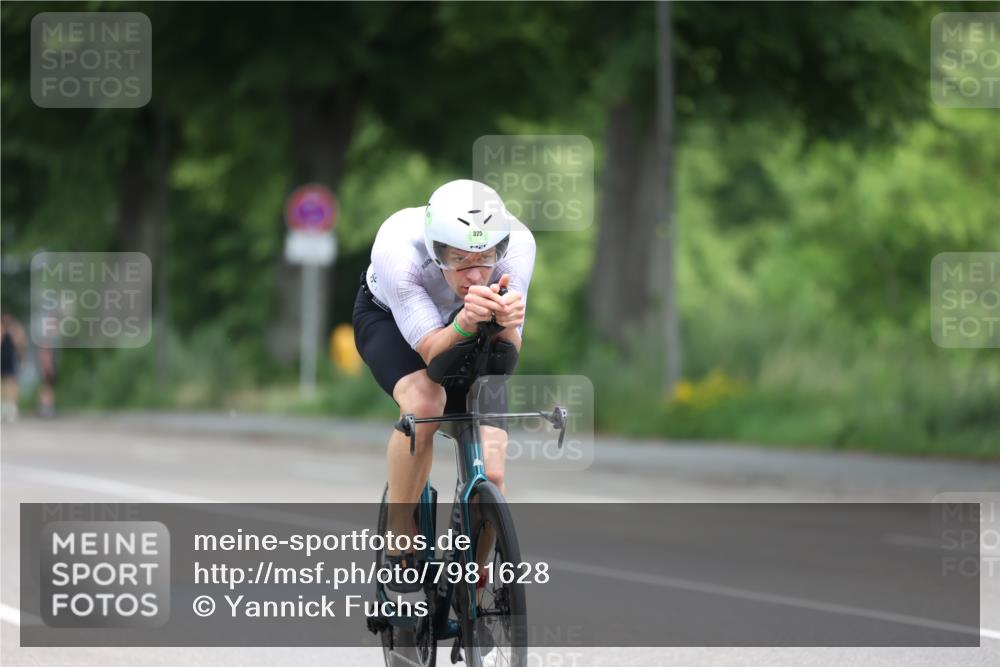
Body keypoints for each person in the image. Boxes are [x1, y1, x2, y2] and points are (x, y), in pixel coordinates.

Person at [353, 179, 535, 590]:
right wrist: (465, 322)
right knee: (425, 400)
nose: (474, 274)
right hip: (392, 322)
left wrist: (505, 325)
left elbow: (506, 359)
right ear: (437, 252)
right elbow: (435, 352)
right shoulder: (399, 249)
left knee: (492, 465)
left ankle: (473, 577)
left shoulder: (519, 245)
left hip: (471, 322)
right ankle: (400, 537)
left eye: (485, 258)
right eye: (459, 260)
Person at [1, 312, 28, 423]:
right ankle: (2, 408)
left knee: (12, 384)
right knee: (2, 384)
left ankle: (11, 408)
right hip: (1, 359)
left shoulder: (16, 329)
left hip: (12, 360)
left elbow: (21, 345)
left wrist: (22, 360)